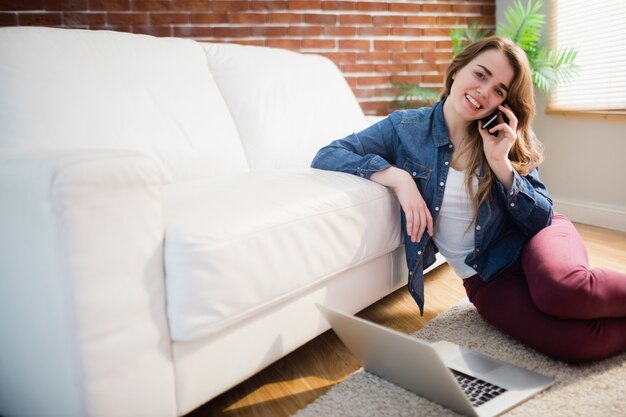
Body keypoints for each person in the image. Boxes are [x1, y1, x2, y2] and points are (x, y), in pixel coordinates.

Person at [311, 36, 626, 363]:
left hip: (536, 239)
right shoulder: (404, 128)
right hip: (485, 276)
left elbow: (540, 218)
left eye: (499, 90)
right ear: (457, 69)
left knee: (562, 293)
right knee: (577, 343)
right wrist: (399, 178)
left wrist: (501, 163)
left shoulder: (505, 136)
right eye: (480, 74)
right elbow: (329, 154)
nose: (484, 92)